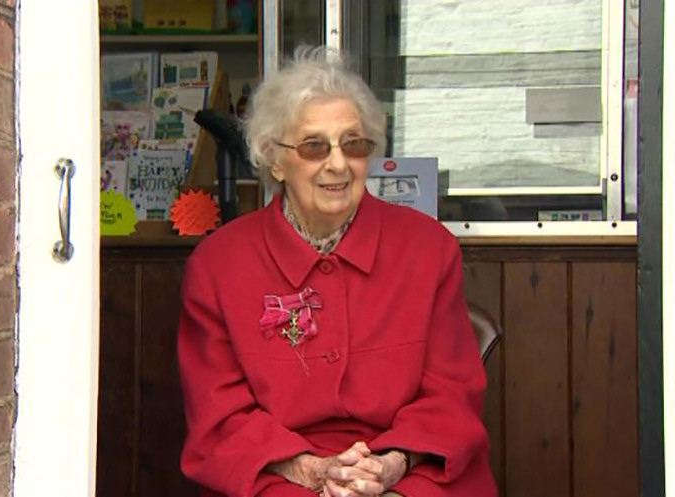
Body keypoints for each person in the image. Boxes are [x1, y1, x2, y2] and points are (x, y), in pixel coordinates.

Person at [178, 46, 497, 497]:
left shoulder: (428, 248)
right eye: (314, 146)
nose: (337, 164)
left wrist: (390, 467)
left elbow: (451, 395)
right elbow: (220, 414)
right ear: (274, 159)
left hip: (414, 469)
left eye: (353, 144)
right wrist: (311, 471)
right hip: (279, 473)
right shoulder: (218, 266)